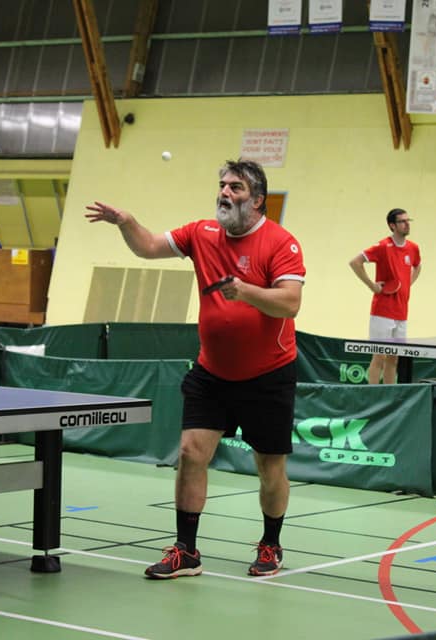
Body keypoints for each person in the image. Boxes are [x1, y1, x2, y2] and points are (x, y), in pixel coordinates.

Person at [85, 159, 306, 579]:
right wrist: (126, 222)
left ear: (258, 200)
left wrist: (245, 292)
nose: (225, 192)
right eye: (223, 185)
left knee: (269, 466)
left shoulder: (281, 243)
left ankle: (271, 543)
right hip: (212, 373)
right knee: (190, 454)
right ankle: (186, 551)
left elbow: (290, 302)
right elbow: (149, 246)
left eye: (236, 187)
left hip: (268, 375)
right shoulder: (201, 233)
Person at [348, 208, 422, 384]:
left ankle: (390, 395)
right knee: (379, 357)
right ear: (392, 225)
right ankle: (373, 395)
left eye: (408, 220)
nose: (407, 224)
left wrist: (407, 283)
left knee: (393, 359)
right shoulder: (382, 246)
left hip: (402, 312)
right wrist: (371, 285)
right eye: (402, 221)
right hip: (382, 312)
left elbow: (418, 266)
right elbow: (355, 262)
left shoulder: (413, 248)